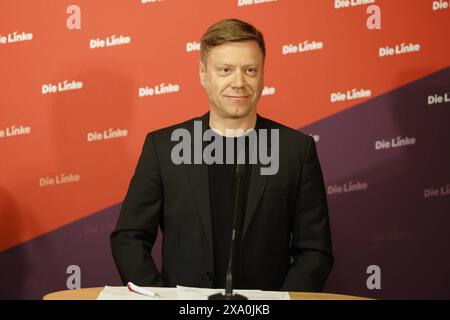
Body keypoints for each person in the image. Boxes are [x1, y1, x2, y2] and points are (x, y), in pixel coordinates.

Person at [110, 18, 333, 292]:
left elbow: (315, 251)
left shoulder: (295, 150)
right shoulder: (163, 147)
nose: (239, 82)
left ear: (263, 74)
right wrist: (161, 299)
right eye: (225, 70)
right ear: (204, 74)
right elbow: (129, 238)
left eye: (250, 70)